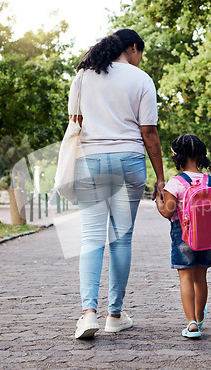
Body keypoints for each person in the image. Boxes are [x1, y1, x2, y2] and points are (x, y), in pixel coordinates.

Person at [70, 29, 164, 339]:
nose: (140, 60)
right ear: (133, 48)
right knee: (121, 240)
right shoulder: (141, 80)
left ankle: (87, 315)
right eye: (141, 53)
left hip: (91, 161)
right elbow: (148, 132)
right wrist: (160, 176)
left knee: (91, 238)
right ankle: (114, 314)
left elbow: (76, 123)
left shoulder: (83, 76)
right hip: (129, 161)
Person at [155, 134, 211, 338]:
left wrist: (158, 199)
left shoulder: (176, 182)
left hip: (182, 234)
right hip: (207, 237)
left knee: (186, 278)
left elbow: (167, 211)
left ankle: (191, 323)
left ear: (177, 158)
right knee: (201, 277)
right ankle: (200, 318)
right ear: (201, 156)